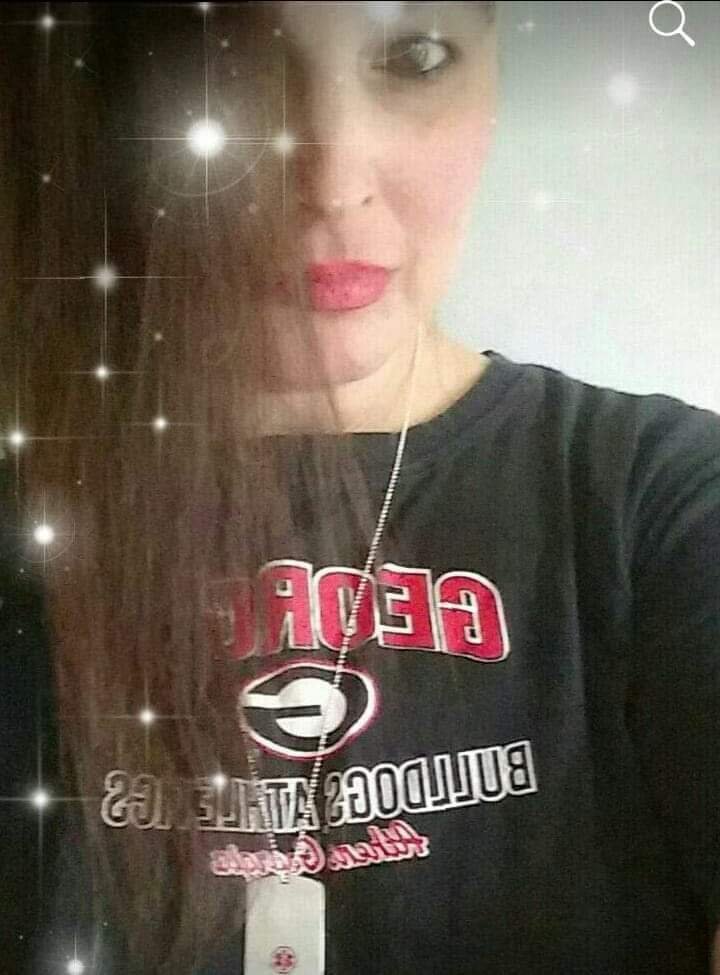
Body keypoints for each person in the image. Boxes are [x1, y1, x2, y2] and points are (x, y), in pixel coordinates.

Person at [1, 2, 719, 973]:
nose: (331, 180)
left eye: (415, 56)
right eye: (232, 70)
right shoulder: (30, 527)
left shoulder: (668, 500)